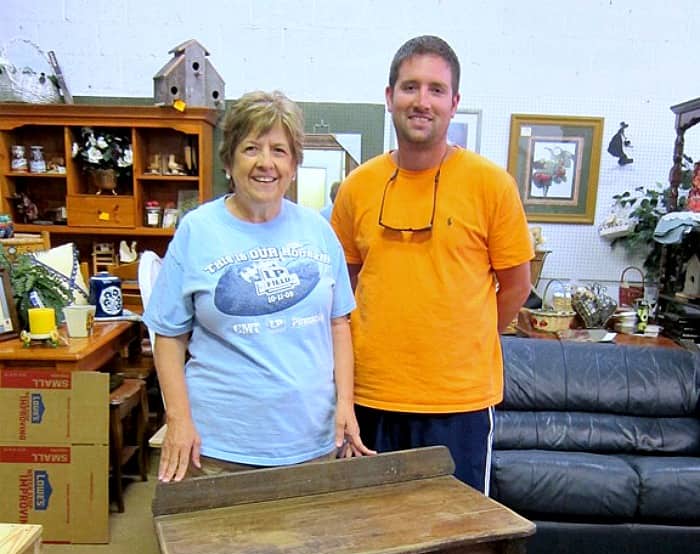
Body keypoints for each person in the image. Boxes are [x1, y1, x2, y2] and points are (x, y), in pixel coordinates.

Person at [331, 35, 533, 493]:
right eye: (410, 87)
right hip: (371, 396)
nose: (422, 101)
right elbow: (344, 288)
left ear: (454, 102)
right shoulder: (357, 188)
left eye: (436, 90)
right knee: (372, 536)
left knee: (454, 541)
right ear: (389, 97)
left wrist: (466, 338)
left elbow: (517, 287)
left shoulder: (491, 186)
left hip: (457, 404)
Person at [144, 90, 373, 483]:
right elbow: (168, 335)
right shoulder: (197, 231)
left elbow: (339, 326)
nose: (265, 163)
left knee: (310, 544)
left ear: (294, 165)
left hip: (312, 444)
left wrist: (346, 404)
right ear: (229, 160)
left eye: (279, 151)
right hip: (218, 449)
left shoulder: (318, 231)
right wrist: (178, 419)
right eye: (251, 148)